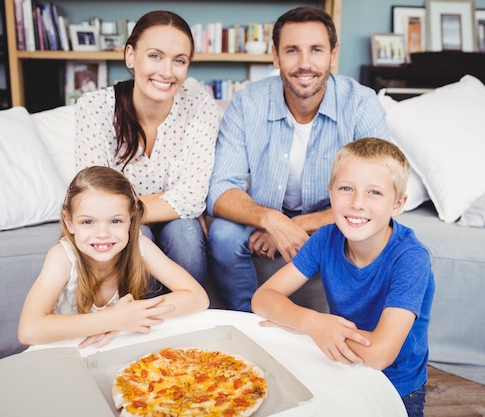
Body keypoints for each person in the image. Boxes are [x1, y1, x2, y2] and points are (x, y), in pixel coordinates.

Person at [206, 6, 390, 311]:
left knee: (370, 230)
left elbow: (380, 193)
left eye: (316, 50)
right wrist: (271, 220)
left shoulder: (361, 104)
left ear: (333, 55)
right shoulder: (247, 103)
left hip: (333, 216)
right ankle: (249, 318)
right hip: (265, 212)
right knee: (223, 234)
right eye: (292, 51)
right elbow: (220, 188)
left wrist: (298, 225)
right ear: (276, 56)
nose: (305, 64)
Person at [251, 138, 435, 417]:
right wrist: (313, 322)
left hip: (397, 387)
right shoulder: (325, 239)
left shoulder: (410, 258)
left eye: (374, 193)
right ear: (331, 193)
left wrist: (306, 330)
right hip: (341, 367)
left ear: (398, 204)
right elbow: (263, 298)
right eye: (346, 189)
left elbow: (380, 354)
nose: (357, 203)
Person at [74, 10, 220, 288]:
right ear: (130, 55)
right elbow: (96, 196)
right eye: (155, 56)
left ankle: (192, 321)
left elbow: (192, 198)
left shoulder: (200, 107)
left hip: (171, 222)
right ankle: (148, 328)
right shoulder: (94, 108)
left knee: (186, 234)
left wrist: (123, 207)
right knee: (138, 236)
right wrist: (167, 200)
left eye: (179, 60)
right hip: (125, 224)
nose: (167, 71)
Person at [18, 166, 209, 348]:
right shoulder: (62, 257)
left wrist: (132, 316)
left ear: (131, 220)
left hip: (109, 349)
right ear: (69, 222)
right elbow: (28, 330)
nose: (102, 233)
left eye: (115, 221)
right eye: (87, 222)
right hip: (68, 352)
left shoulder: (139, 246)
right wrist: (113, 319)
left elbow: (198, 297)